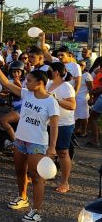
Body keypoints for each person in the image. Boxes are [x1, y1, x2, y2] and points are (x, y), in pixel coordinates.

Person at [0, 61, 58, 222]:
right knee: (20, 170)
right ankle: (23, 197)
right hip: (20, 139)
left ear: (39, 83)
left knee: (36, 177)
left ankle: (36, 211)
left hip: (37, 143)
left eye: (28, 80)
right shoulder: (27, 94)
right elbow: (6, 83)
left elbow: (55, 125)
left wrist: (52, 147)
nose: (25, 83)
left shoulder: (51, 102)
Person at [46, 62, 76, 193]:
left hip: (63, 124)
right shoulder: (48, 84)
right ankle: (44, 175)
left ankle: (65, 182)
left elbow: (72, 105)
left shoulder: (66, 86)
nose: (48, 71)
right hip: (48, 123)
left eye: (50, 70)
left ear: (56, 72)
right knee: (45, 151)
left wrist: (57, 100)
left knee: (63, 152)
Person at [74, 60, 93, 138]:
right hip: (75, 97)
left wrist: (91, 98)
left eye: (82, 65)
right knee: (76, 115)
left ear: (85, 66)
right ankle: (77, 130)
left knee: (84, 116)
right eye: (79, 65)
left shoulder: (87, 75)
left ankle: (84, 131)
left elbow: (91, 88)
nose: (81, 66)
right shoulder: (76, 75)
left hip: (83, 98)